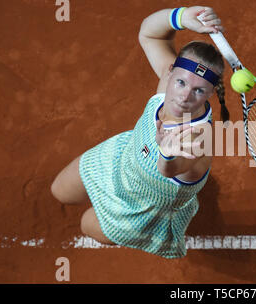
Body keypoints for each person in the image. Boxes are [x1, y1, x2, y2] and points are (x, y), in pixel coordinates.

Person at [50, 6, 229, 259]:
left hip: (140, 208)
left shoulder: (198, 139)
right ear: (170, 73)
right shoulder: (166, 81)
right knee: (59, 191)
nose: (185, 96)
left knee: (86, 225)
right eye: (181, 82)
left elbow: (170, 169)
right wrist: (181, 17)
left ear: (212, 93)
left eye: (199, 90)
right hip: (120, 160)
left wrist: (166, 153)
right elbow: (150, 34)